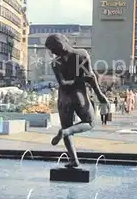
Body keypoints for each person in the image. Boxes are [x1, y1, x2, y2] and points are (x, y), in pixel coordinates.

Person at [45, 33, 108, 168]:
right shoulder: (81, 54)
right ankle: (66, 132)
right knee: (90, 122)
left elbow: (62, 83)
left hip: (64, 99)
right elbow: (90, 77)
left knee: (66, 126)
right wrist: (100, 95)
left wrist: (73, 80)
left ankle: (74, 159)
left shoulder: (56, 63)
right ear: (64, 41)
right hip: (79, 96)